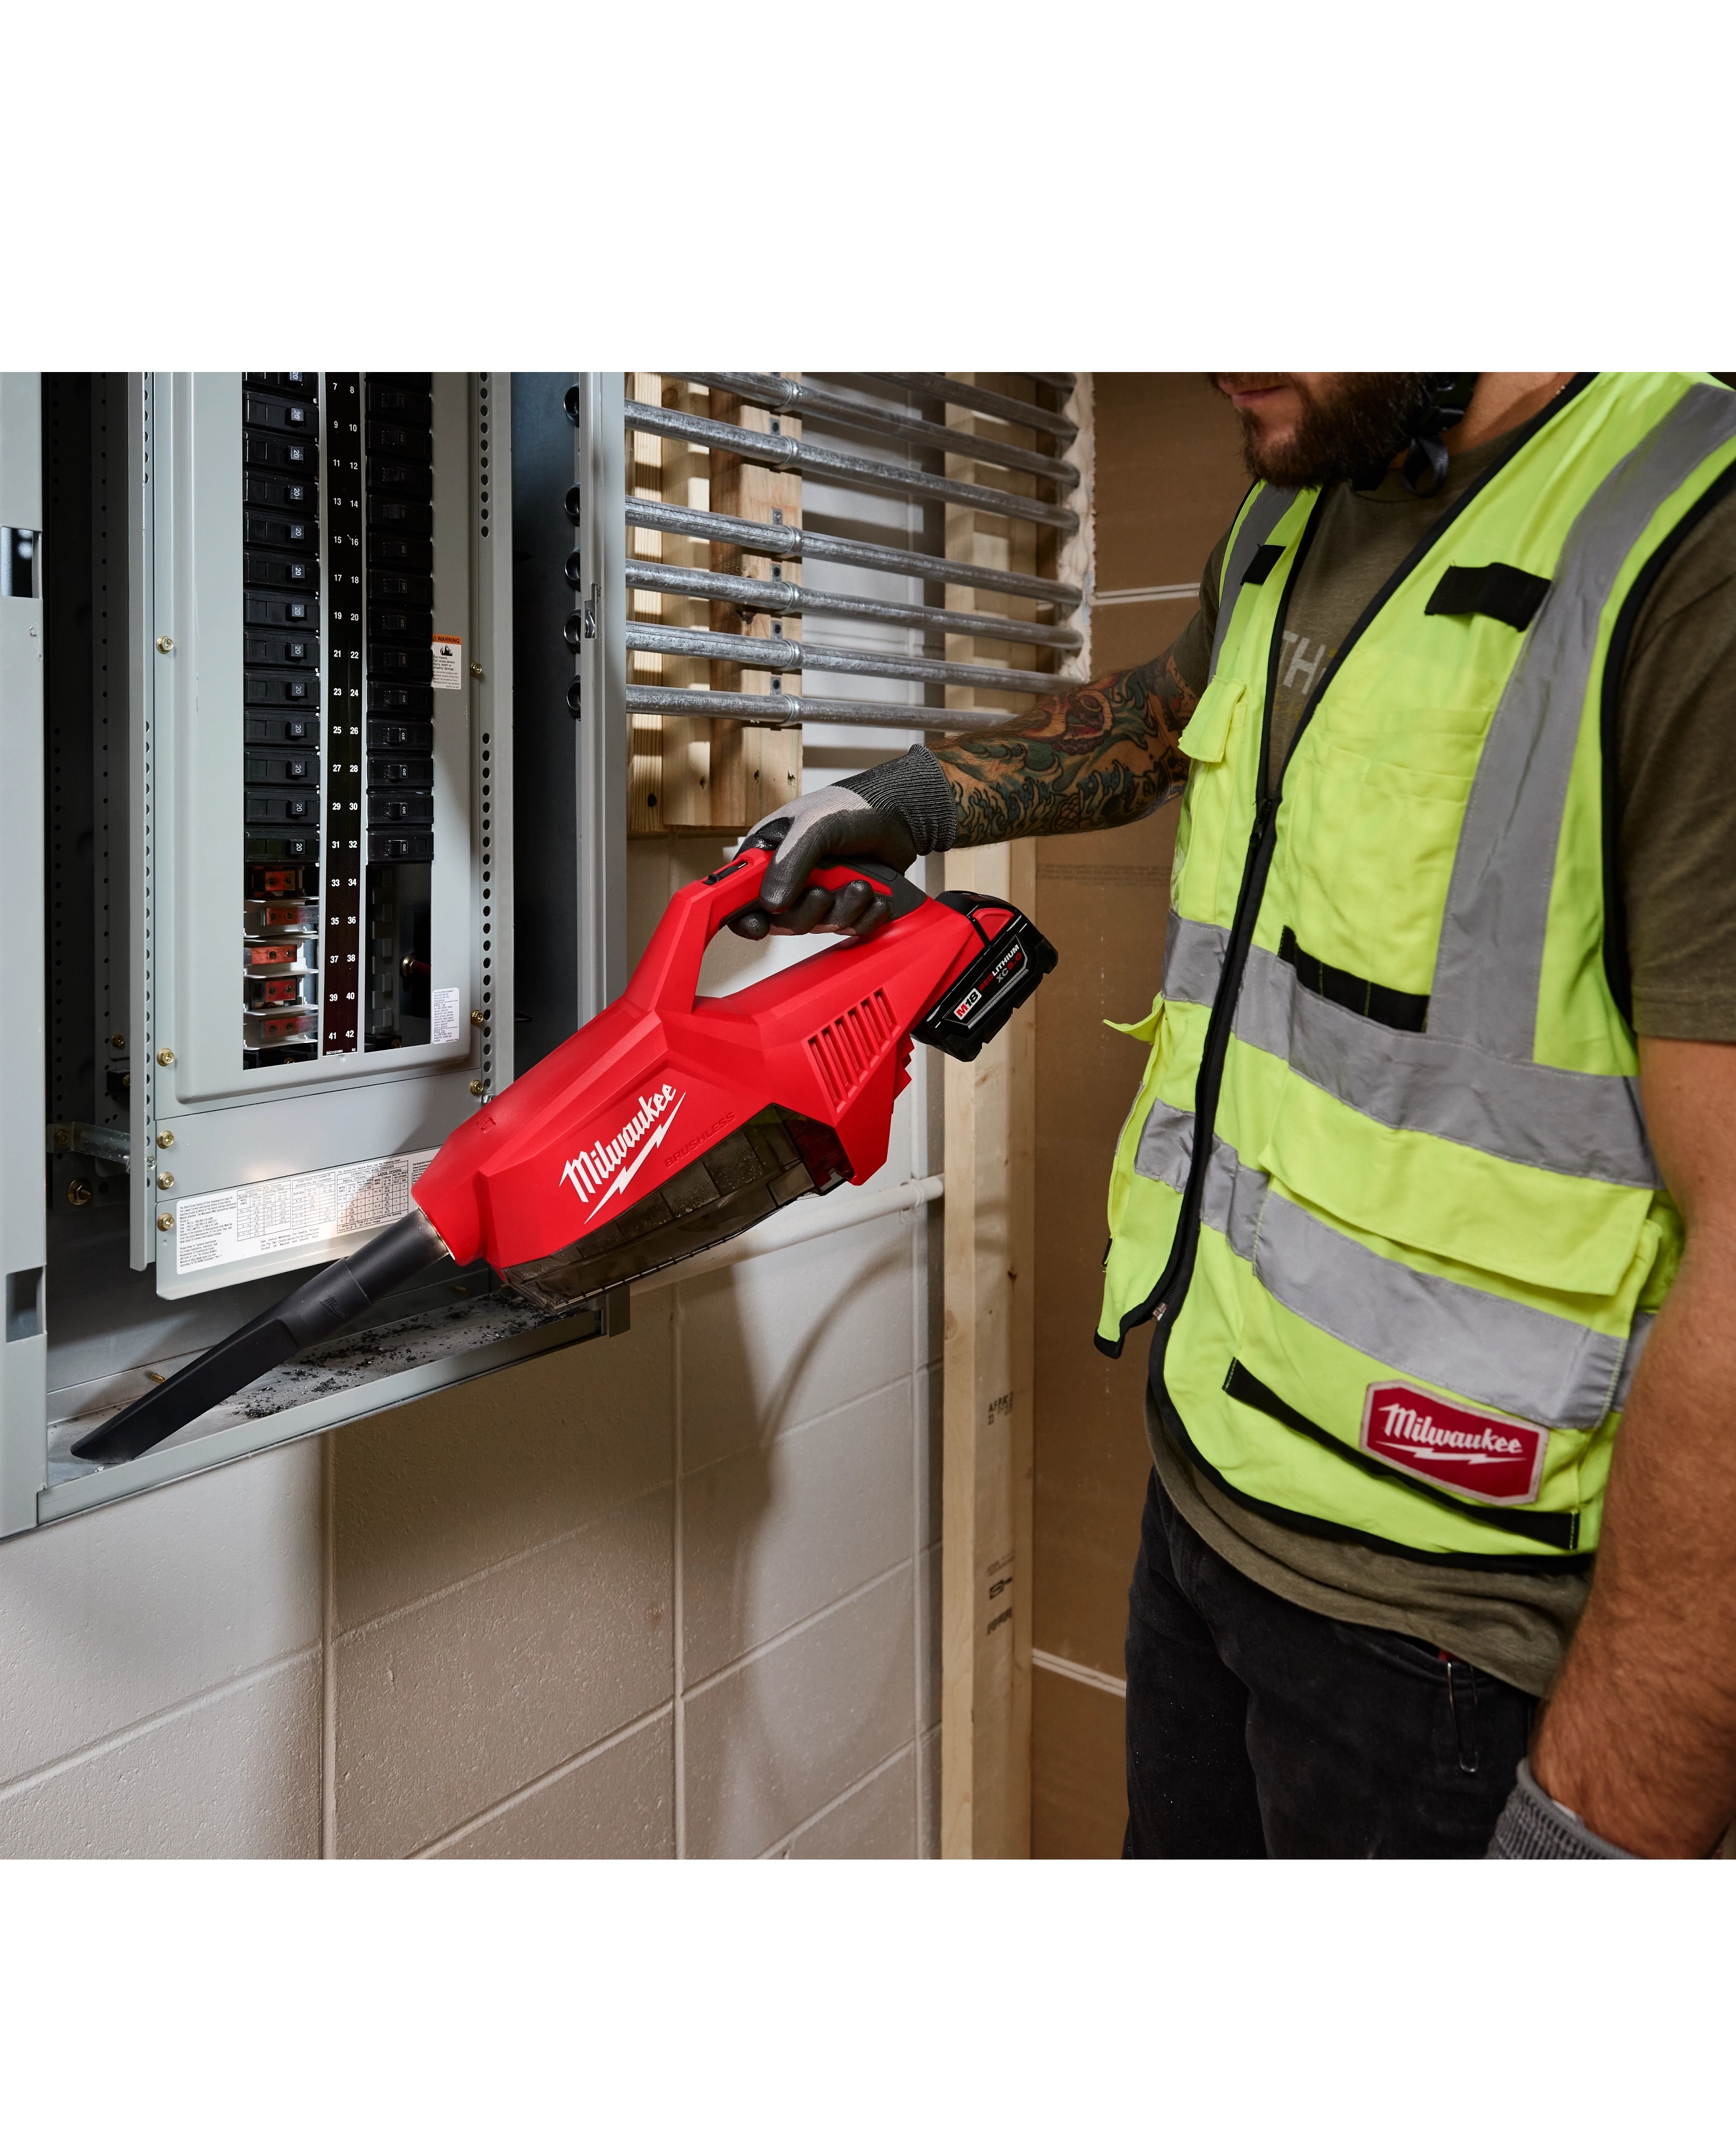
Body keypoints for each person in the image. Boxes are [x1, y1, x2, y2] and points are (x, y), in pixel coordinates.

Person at [736, 371, 1736, 1860]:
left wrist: (1609, 1819)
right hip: (1212, 1490)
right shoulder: (1301, 495)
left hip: (1457, 1632)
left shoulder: (1685, 528)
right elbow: (1163, 714)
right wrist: (902, 800)